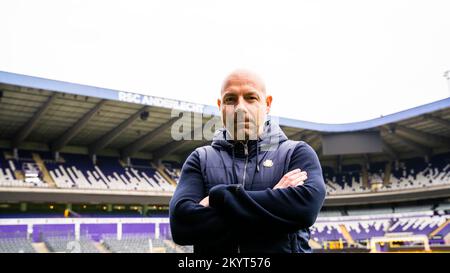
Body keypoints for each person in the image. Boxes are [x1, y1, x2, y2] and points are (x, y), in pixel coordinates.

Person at [169, 70, 326, 253]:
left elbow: (304, 210)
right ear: (220, 106)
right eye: (230, 99)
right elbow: (181, 226)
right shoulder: (200, 159)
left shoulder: (296, 153)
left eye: (251, 98)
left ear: (267, 104)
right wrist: (274, 204)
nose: (240, 108)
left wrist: (220, 197)